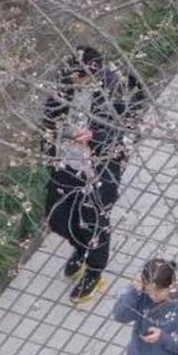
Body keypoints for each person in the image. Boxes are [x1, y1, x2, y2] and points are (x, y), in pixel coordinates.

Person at [41, 45, 145, 304]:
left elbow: (127, 127)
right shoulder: (66, 86)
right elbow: (49, 118)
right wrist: (50, 146)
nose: (75, 80)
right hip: (65, 162)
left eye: (80, 75)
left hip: (98, 168)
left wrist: (94, 138)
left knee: (94, 221)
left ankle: (95, 270)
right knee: (57, 217)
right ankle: (80, 247)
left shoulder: (113, 89)